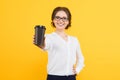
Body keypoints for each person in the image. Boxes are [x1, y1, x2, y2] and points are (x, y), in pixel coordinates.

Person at [34, 6, 85, 80]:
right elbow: (45, 45)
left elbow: (81, 58)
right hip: (54, 77)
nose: (60, 21)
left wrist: (77, 70)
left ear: (68, 21)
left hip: (71, 77)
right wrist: (41, 44)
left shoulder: (74, 40)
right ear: (53, 20)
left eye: (64, 18)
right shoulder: (48, 37)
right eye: (57, 17)